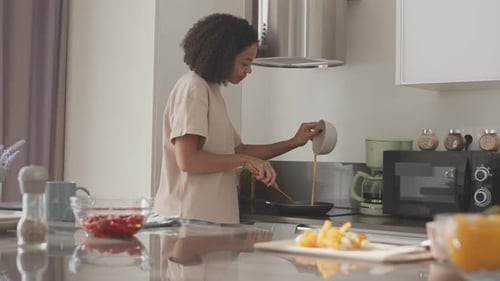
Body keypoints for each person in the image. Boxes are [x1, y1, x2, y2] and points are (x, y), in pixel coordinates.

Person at [153, 13, 320, 225]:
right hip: (188, 218)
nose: (249, 70)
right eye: (245, 62)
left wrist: (294, 142)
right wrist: (245, 161)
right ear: (222, 56)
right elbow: (188, 160)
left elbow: (238, 151)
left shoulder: (210, 90)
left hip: (206, 220)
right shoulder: (193, 88)